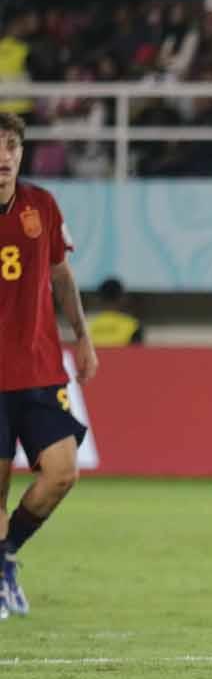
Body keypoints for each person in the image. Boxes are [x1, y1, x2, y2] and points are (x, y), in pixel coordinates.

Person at [0, 111, 97, 619]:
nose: (3, 155)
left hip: (38, 367)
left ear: (21, 152)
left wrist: (82, 336)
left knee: (61, 473)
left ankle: (4, 557)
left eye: (11, 145)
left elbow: (60, 275)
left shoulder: (43, 205)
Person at [88, 277, 143, 346]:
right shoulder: (133, 326)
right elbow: (138, 354)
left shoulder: (87, 326)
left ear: (99, 299)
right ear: (122, 299)